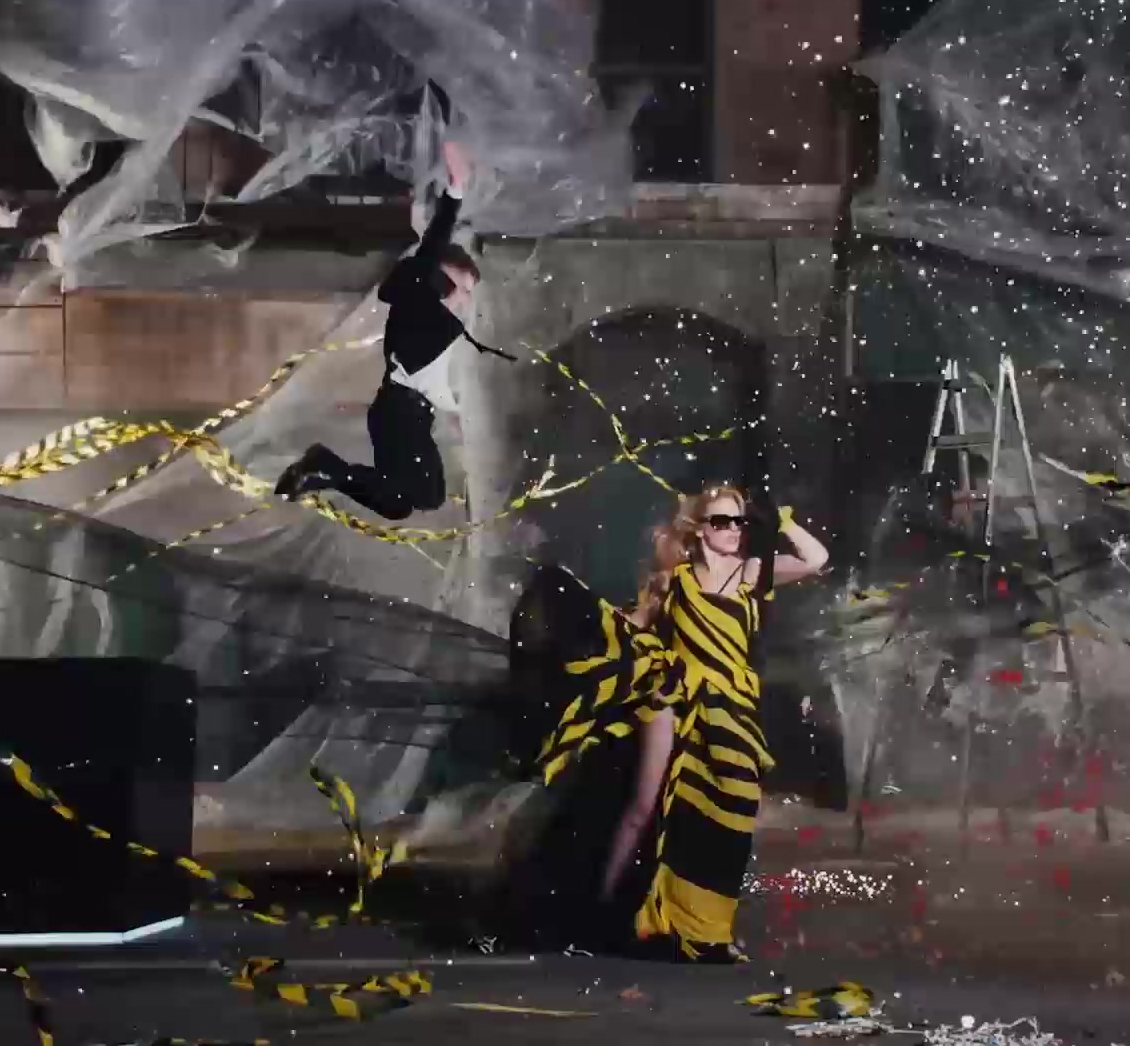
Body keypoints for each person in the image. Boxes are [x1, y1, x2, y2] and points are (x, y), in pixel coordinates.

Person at [510, 485, 830, 961]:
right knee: (644, 806)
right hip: (672, 697)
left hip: (730, 706)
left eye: (739, 522)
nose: (733, 531)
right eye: (721, 521)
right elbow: (630, 631)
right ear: (699, 529)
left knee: (732, 812)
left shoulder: (752, 571)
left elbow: (817, 559)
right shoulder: (672, 581)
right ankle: (599, 920)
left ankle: (707, 929)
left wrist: (782, 523)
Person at [273, 137, 514, 518]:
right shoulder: (418, 302)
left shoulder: (440, 328)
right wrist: (455, 190)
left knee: (408, 501)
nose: (465, 298)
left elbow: (441, 380)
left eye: (469, 291)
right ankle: (327, 468)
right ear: (437, 278)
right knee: (415, 499)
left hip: (402, 415)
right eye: (462, 286)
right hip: (400, 415)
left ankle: (327, 468)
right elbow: (432, 248)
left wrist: (458, 415)